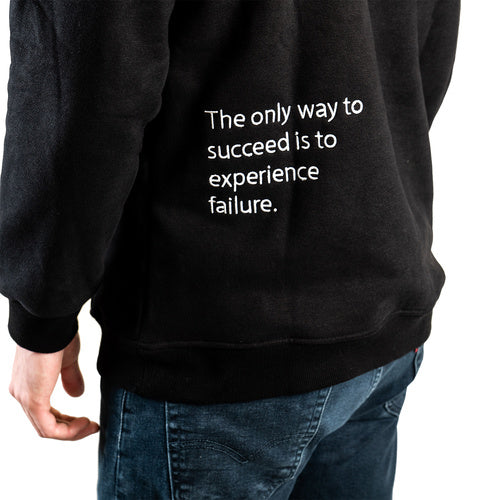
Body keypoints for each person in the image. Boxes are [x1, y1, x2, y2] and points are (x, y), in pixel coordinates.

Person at [1, 1, 460, 498]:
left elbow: (87, 79)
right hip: (381, 305)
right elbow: (425, 48)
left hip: (216, 345)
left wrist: (43, 310)